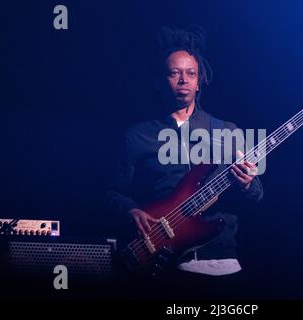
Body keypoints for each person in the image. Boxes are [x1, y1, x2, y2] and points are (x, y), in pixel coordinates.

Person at [106, 26, 263, 299]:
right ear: (159, 80)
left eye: (191, 73)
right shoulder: (137, 136)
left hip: (225, 266)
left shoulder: (226, 131)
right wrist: (129, 211)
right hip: (166, 269)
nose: (183, 80)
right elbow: (111, 192)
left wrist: (247, 183)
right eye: (174, 73)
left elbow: (256, 196)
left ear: (199, 81)